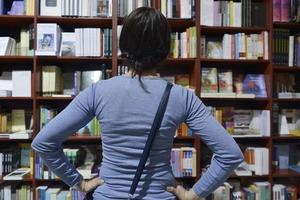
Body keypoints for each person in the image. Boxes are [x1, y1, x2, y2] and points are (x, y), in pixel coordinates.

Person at [31, 7, 244, 200]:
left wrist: (79, 183)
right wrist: (194, 194)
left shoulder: (99, 91)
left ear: (124, 46)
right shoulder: (182, 97)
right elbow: (230, 154)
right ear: (165, 49)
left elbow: (44, 142)